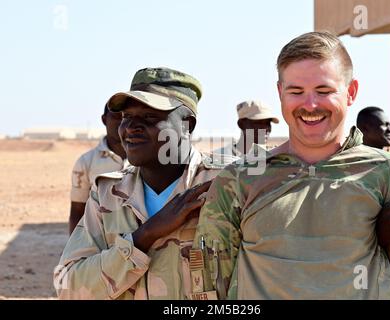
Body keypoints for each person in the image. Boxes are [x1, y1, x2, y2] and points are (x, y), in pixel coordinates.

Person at [193, 31, 390, 299]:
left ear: (350, 92)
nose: (310, 104)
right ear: (280, 93)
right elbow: (210, 285)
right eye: (296, 91)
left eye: (324, 91)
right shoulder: (239, 179)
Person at [54, 67, 236, 299]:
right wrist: (143, 237)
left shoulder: (228, 184)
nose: (130, 127)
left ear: (186, 125)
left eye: (150, 117)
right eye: (126, 117)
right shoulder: (107, 194)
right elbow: (68, 287)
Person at [69, 105, 128, 234]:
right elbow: (77, 210)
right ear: (104, 119)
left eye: (125, 117)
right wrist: (73, 249)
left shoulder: (145, 159)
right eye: (116, 117)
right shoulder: (86, 162)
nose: (121, 122)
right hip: (102, 241)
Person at [214, 100, 279, 157]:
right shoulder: (218, 157)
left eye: (268, 123)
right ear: (241, 124)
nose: (266, 128)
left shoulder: (273, 156)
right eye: (259, 123)